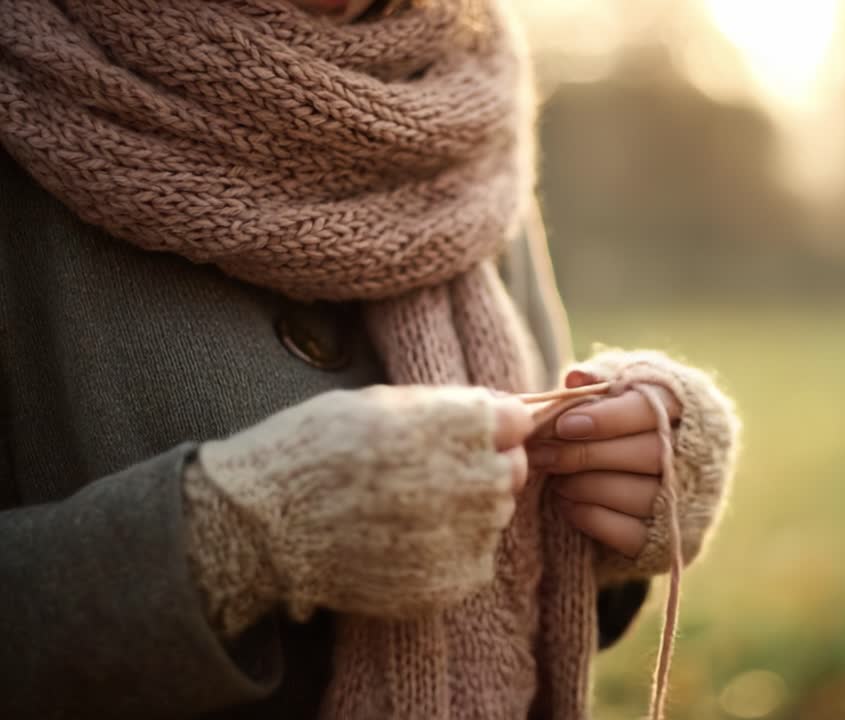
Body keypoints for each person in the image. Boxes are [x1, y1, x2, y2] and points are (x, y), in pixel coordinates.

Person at [0, 0, 739, 718]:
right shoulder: (25, 75)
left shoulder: (462, 91)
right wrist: (232, 536)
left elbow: (523, 566)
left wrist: (620, 496)